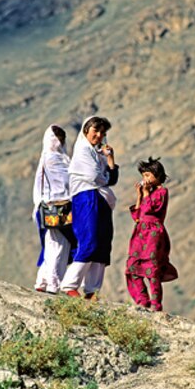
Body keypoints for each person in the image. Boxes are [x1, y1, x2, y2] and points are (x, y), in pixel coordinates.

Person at [58, 116, 119, 298]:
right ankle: (70, 285)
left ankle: (92, 290)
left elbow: (111, 179)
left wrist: (109, 159)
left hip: (101, 199)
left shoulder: (97, 154)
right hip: (87, 197)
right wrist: (105, 177)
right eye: (95, 131)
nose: (99, 136)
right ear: (86, 131)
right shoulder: (83, 151)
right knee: (89, 240)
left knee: (102, 244)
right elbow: (94, 177)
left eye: (102, 133)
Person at [125, 157, 178, 311]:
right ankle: (142, 300)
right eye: (143, 176)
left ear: (157, 175)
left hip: (153, 234)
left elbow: (149, 210)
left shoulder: (162, 192)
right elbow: (137, 215)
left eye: (148, 175)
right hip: (140, 233)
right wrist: (140, 196)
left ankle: (156, 304)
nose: (145, 179)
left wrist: (146, 194)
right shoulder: (147, 192)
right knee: (132, 267)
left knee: (151, 269)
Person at [32, 124, 75, 293]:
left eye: (61, 140)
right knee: (58, 246)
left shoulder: (63, 159)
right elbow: (63, 183)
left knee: (52, 245)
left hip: (60, 208)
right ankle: (53, 284)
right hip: (55, 208)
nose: (58, 143)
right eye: (55, 139)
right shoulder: (51, 159)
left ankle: (42, 281)